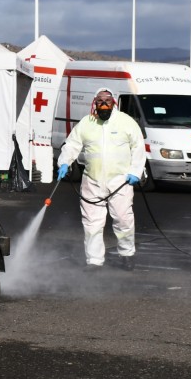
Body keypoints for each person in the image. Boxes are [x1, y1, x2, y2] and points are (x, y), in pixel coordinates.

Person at [56, 87, 147, 270]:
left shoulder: (126, 122)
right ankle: (94, 260)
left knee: (123, 219)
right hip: (92, 181)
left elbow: (138, 147)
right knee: (92, 223)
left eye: (107, 101)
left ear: (113, 102)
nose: (103, 105)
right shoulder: (87, 123)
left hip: (120, 181)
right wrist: (64, 162)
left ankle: (126, 253)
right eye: (100, 101)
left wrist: (135, 171)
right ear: (94, 103)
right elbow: (72, 144)